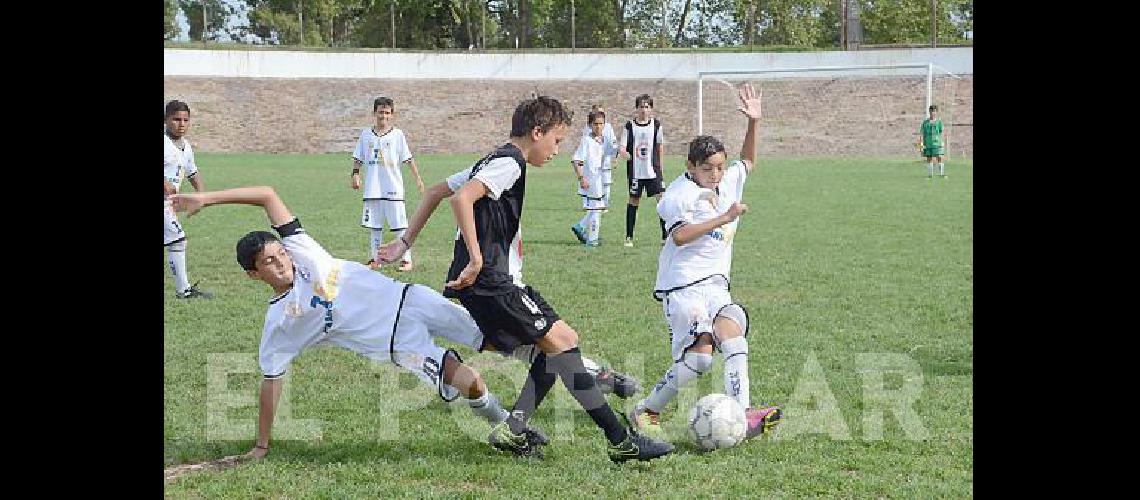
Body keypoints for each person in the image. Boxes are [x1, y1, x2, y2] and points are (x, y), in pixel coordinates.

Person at [376, 96, 672, 463]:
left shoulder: (494, 159)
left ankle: (515, 430)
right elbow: (461, 200)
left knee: (558, 347)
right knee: (561, 343)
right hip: (489, 282)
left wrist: (405, 241)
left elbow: (438, 191)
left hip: (492, 282)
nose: (557, 150)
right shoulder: (510, 162)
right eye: (557, 141)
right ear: (537, 132)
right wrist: (477, 257)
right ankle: (620, 441)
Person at [169, 185, 537, 459]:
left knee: (499, 339)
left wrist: (207, 198)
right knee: (472, 382)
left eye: (280, 252)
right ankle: (507, 428)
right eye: (268, 261)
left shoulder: (302, 249)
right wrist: (262, 444)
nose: (281, 261)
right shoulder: (280, 324)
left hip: (411, 299)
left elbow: (267, 194)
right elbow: (271, 381)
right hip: (399, 346)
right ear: (253, 274)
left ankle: (578, 370)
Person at [629, 84, 783, 442]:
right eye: (707, 168)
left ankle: (743, 416)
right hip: (682, 287)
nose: (715, 174)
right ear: (690, 167)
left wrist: (754, 123)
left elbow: (748, 162)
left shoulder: (727, 181)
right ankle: (646, 409)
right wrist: (724, 217)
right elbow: (679, 237)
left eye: (719, 166)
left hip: (715, 285)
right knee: (700, 359)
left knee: (733, 336)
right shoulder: (677, 196)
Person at [351, 96, 426, 271]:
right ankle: (375, 259)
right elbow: (358, 157)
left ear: (392, 114)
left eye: (386, 112)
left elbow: (408, 159)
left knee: (400, 226)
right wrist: (355, 174)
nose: (383, 116)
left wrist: (418, 179)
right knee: (375, 227)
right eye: (380, 112)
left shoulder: (398, 135)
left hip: (393, 188)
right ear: (374, 113)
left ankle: (406, 260)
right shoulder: (365, 134)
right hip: (373, 188)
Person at [164, 100, 212, 299]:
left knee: (176, 239)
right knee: (177, 239)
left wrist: (202, 196)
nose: (181, 124)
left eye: (185, 120)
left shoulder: (186, 146)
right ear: (166, 120)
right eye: (176, 119)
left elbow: (192, 172)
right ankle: (184, 291)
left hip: (169, 202)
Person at [617, 94, 667, 247]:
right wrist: (624, 153)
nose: (644, 110)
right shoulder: (629, 126)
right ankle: (629, 237)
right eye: (641, 107)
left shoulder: (656, 125)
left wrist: (660, 167)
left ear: (651, 109)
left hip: (653, 171)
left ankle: (665, 236)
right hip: (636, 172)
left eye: (647, 107)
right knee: (634, 200)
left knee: (662, 200)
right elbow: (622, 147)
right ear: (636, 108)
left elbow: (660, 146)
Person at [570, 110, 619, 247]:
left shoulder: (605, 140)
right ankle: (592, 240)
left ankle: (582, 228)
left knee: (597, 209)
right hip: (591, 181)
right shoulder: (586, 141)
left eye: (601, 124)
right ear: (590, 125)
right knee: (596, 210)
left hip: (602, 180)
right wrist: (582, 178)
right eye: (595, 124)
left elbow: (614, 151)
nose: (598, 127)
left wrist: (622, 153)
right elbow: (576, 161)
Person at [580, 104, 618, 211]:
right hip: (591, 161)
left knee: (606, 182)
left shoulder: (608, 127)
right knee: (589, 181)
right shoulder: (588, 128)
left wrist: (614, 156)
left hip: (605, 160)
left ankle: (605, 204)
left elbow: (613, 143)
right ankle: (587, 204)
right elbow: (585, 143)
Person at [916, 104, 946, 178]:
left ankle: (942, 174)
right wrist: (920, 145)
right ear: (929, 112)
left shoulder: (939, 122)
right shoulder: (925, 123)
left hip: (937, 143)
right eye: (931, 111)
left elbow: (942, 133)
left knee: (939, 157)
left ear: (936, 112)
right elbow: (921, 134)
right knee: (929, 158)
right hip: (928, 144)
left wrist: (943, 142)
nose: (933, 113)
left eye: (934, 111)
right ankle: (930, 175)